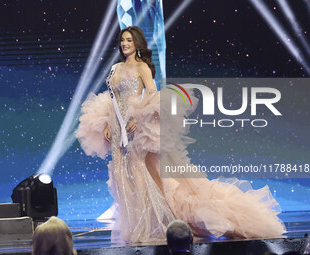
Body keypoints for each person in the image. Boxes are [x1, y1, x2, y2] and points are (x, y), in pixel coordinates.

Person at [76, 25, 286, 243]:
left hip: (134, 129)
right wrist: (109, 122)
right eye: (122, 40)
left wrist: (139, 117)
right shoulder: (115, 68)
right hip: (117, 130)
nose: (125, 44)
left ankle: (154, 225)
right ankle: (136, 226)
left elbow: (152, 95)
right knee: (122, 176)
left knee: (140, 175)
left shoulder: (142, 68)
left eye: (129, 40)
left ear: (137, 43)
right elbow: (112, 98)